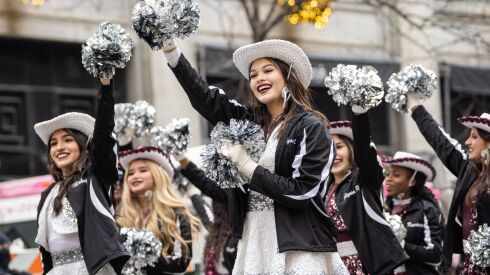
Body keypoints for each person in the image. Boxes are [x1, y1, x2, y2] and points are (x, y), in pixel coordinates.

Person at [162, 39, 347, 274]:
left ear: (287, 76)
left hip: (299, 244)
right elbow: (205, 99)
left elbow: (303, 191)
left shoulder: (311, 126)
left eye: (268, 70)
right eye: (253, 75)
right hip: (253, 239)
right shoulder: (247, 121)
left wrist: (248, 166)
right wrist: (171, 52)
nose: (259, 78)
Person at [33, 78, 129, 275]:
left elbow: (103, 135)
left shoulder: (95, 178)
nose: (59, 147)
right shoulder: (47, 195)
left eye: (67, 140)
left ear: (83, 146)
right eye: (53, 143)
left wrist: (106, 85)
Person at [407, 94, 490, 274]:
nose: (467, 142)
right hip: (470, 266)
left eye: (474, 136)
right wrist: (415, 107)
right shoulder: (468, 170)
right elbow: (440, 140)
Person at [326, 115, 408, 274]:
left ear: (352, 149)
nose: (333, 154)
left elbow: (364, 149)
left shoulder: (363, 179)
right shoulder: (323, 190)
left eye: (339, 146)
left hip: (366, 265)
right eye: (327, 149)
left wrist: (359, 111)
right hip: (334, 266)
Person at [117, 146, 199, 274]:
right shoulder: (123, 215)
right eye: (131, 173)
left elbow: (180, 263)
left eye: (143, 170)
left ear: (157, 175)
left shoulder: (175, 213)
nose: (135, 176)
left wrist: (146, 248)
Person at [384, 151, 444, 274]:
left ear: (412, 181)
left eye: (396, 175)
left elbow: (436, 255)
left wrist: (401, 246)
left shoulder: (427, 209)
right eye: (387, 174)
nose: (388, 180)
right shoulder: (384, 209)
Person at [178, 156, 239, 275]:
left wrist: (182, 160)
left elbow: (206, 185)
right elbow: (205, 212)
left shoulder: (234, 233)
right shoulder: (217, 230)